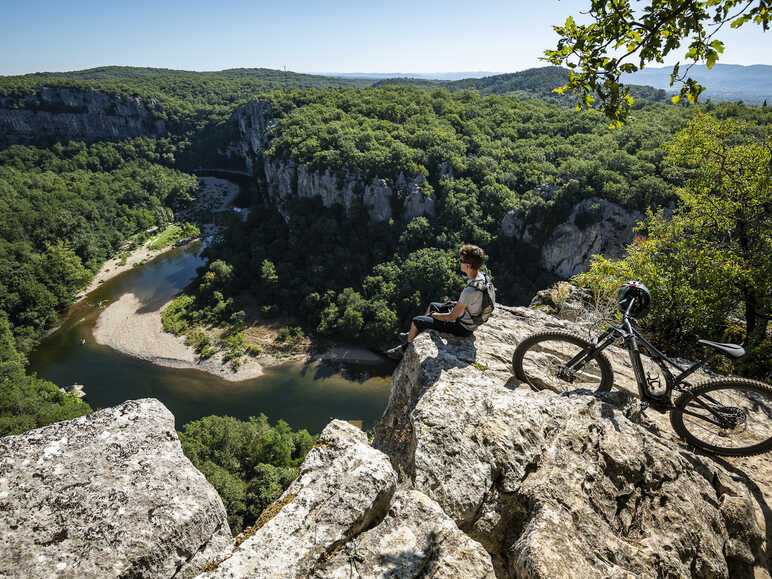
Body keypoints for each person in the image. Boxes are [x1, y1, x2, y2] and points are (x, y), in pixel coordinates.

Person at [385, 244, 490, 360]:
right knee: (433, 305)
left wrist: (435, 315)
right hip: (470, 317)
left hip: (463, 327)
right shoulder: (483, 278)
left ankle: (406, 348)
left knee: (416, 320)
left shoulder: (470, 291)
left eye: (461, 260)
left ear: (468, 266)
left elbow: (451, 317)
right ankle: (417, 332)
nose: (459, 262)